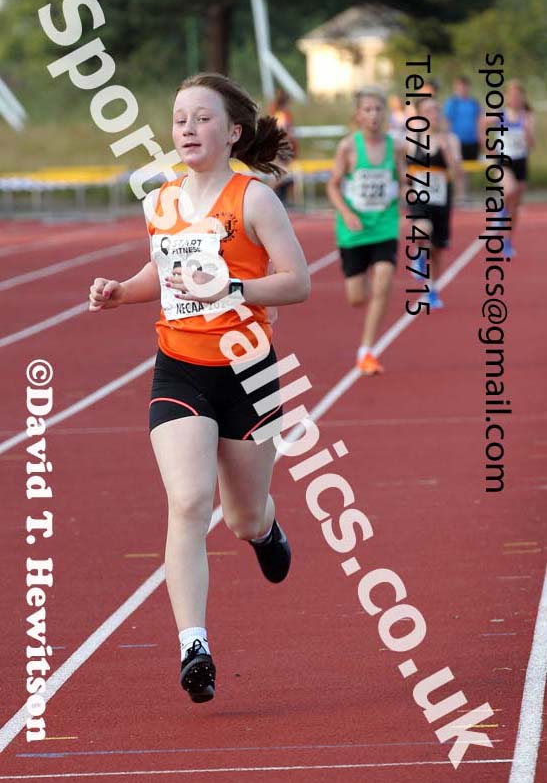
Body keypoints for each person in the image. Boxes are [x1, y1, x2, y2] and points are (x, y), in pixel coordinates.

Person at [88, 73, 311, 704]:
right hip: (180, 367)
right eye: (180, 117)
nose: (187, 128)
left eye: (201, 118)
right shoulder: (160, 202)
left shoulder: (255, 200)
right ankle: (194, 646)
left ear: (233, 131)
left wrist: (234, 291)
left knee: (240, 514)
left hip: (249, 373)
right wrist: (118, 292)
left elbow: (297, 283)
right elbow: (159, 275)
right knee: (188, 502)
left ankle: (266, 530)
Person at [327, 87, 406, 375]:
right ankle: (372, 296)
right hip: (354, 230)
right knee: (357, 298)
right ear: (358, 115)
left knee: (384, 279)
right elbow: (333, 185)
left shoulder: (395, 146)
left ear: (385, 113)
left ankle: (366, 350)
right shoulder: (348, 147)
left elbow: (402, 177)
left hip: (384, 225)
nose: (374, 115)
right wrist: (346, 213)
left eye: (378, 109)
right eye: (368, 109)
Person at [407, 96, 463, 309]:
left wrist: (447, 150)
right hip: (419, 195)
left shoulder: (451, 140)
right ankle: (418, 251)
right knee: (423, 228)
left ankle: (433, 289)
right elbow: (404, 167)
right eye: (428, 111)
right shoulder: (414, 138)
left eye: (436, 110)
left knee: (438, 249)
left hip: (441, 198)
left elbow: (457, 173)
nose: (434, 114)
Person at [482, 79, 534, 258]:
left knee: (516, 207)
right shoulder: (500, 114)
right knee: (509, 189)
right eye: (512, 95)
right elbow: (482, 124)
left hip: (521, 162)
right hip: (503, 160)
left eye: (518, 95)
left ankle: (507, 240)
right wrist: (487, 147)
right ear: (506, 97)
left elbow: (532, 145)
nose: (515, 98)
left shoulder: (526, 116)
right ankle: (500, 211)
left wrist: (527, 132)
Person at [443, 76, 481, 200]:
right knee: (459, 168)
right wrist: (446, 139)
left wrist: (481, 138)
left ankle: (466, 193)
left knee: (469, 169)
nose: (462, 89)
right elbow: (447, 121)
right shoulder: (452, 103)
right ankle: (460, 194)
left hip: (472, 140)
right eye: (460, 86)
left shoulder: (473, 103)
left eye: (464, 86)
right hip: (457, 141)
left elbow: (479, 121)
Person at [267, 88, 298, 206]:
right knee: (282, 172)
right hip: (282, 148)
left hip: (279, 148)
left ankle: (281, 198)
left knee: (283, 173)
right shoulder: (283, 115)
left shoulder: (276, 113)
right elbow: (283, 132)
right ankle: (269, 194)